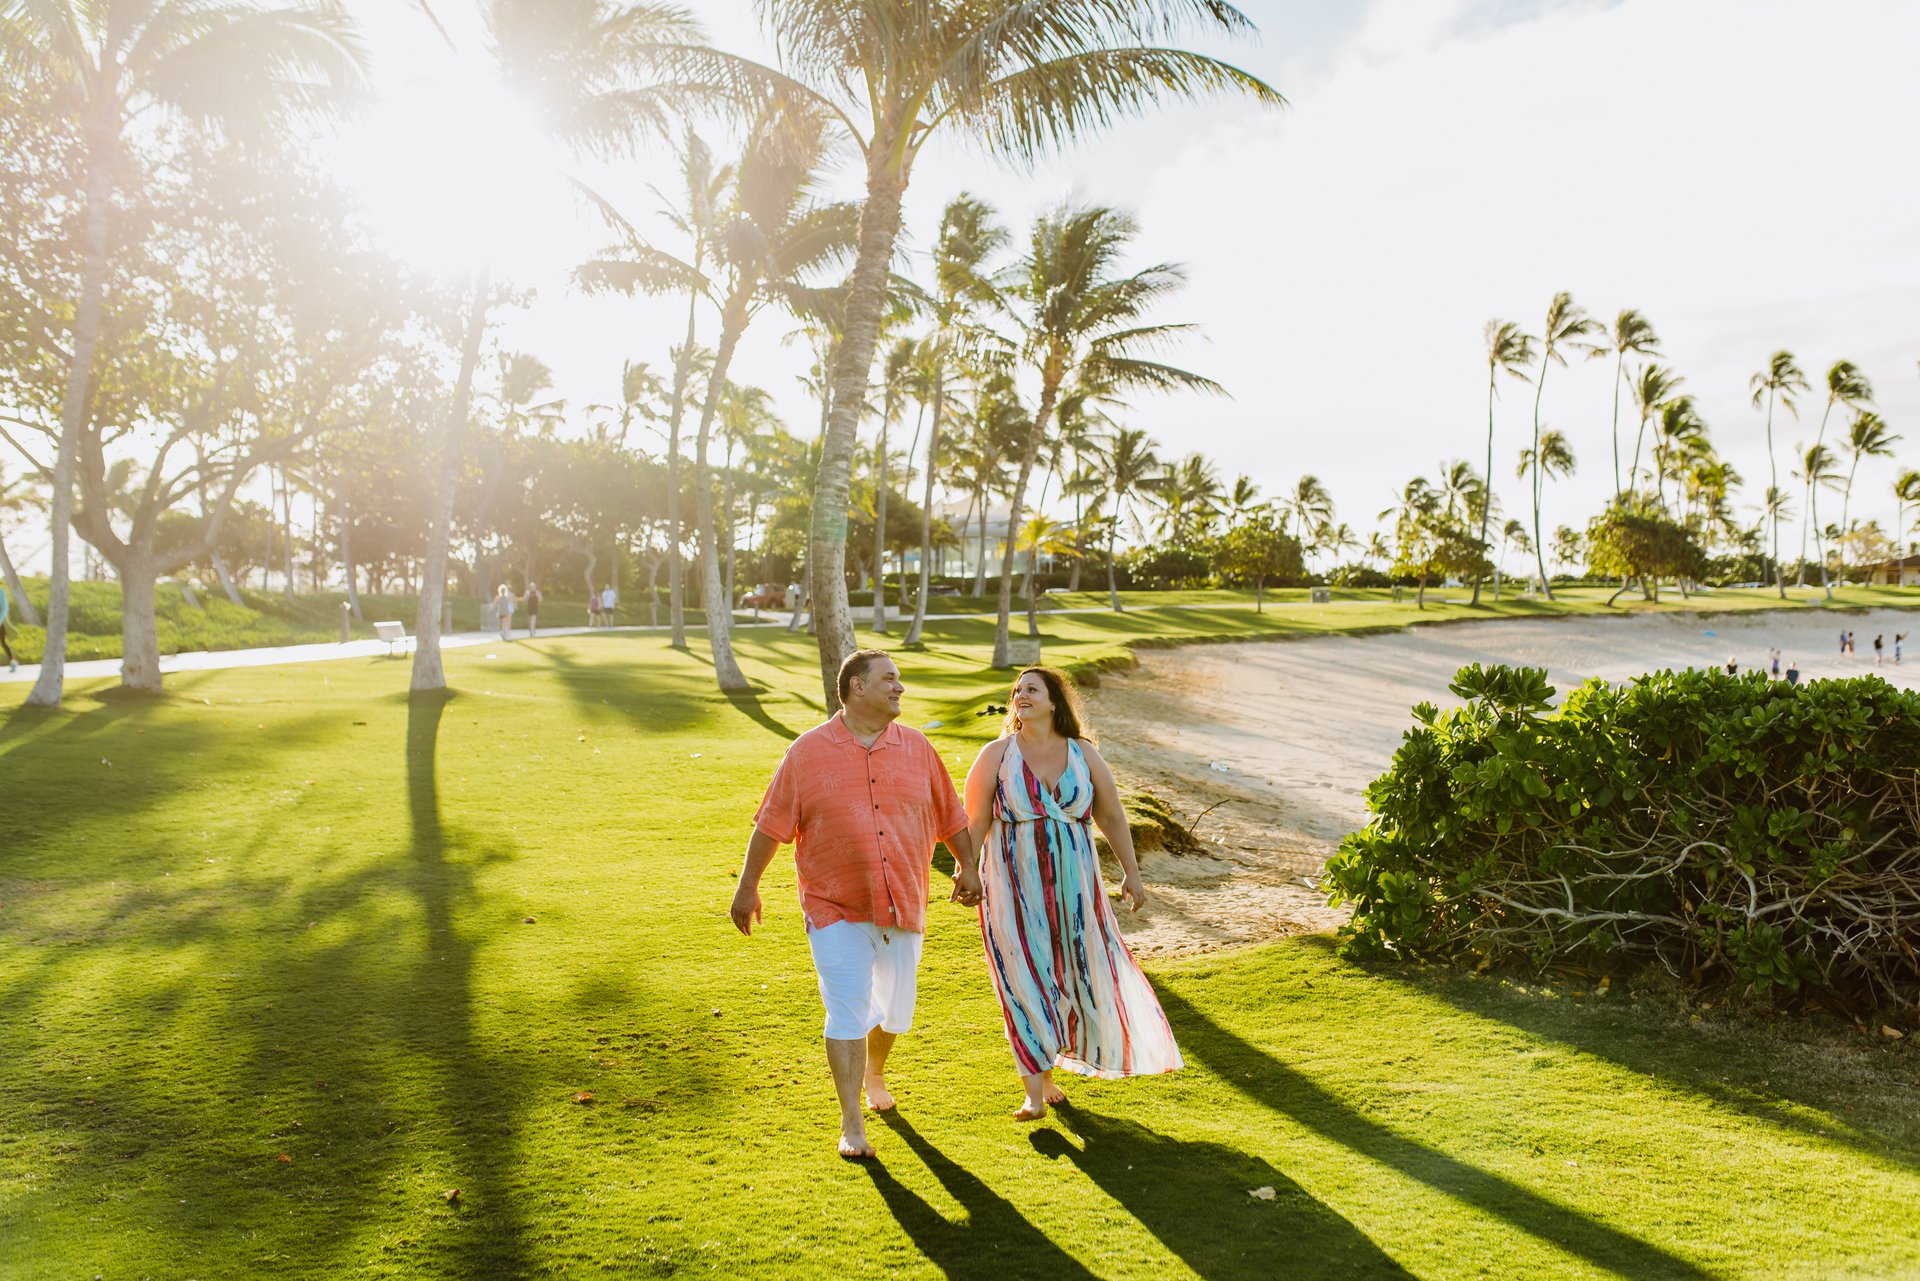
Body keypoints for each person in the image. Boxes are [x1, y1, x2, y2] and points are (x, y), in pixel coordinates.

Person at [733, 650, 982, 1160]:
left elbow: (951, 816)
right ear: (856, 688)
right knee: (845, 1008)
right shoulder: (806, 753)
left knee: (893, 1011)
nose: (900, 688)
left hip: (904, 902)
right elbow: (771, 824)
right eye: (889, 679)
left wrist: (970, 867)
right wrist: (747, 886)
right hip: (833, 905)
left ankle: (874, 1071)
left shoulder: (917, 748)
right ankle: (851, 1123)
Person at [962, 666, 1183, 1123]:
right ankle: (1033, 1093)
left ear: (1055, 701)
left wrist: (1132, 874)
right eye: (1017, 690)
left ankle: (1049, 1067)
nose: (1021, 695)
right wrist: (967, 869)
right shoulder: (996, 755)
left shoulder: (1082, 753)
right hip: (1011, 883)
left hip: (1076, 886)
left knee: (1074, 973)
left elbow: (1113, 816)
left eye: (1032, 689)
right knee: (1021, 975)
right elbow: (975, 820)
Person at [0, 580, 14, 672]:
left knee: (3, 643)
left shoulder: (1, 593)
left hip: (1, 623)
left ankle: (12, 662)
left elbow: (5, 608)